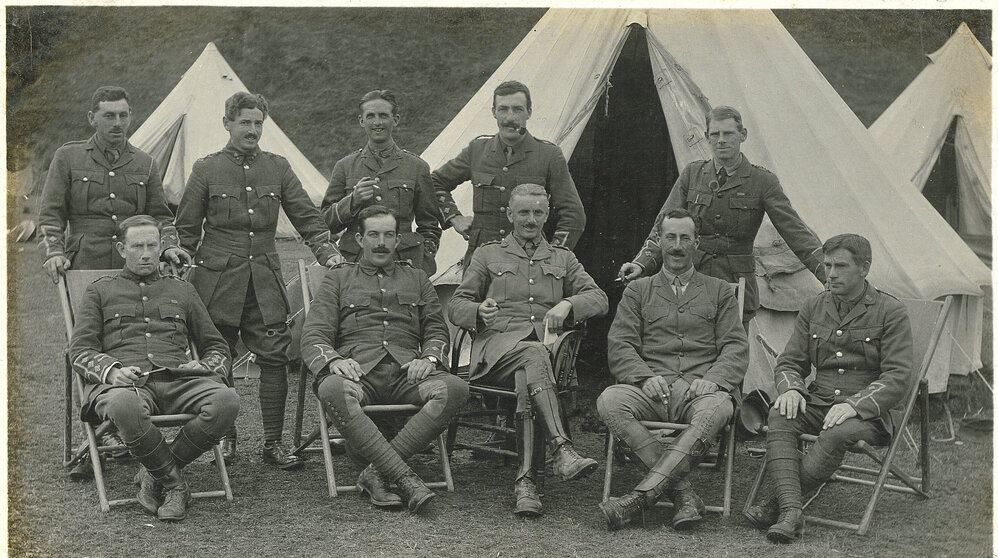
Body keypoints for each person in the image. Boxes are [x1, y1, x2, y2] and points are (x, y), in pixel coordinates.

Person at [175, 91, 343, 469]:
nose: (252, 130)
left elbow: (307, 218)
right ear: (227, 124)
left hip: (264, 282)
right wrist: (176, 257)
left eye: (257, 123)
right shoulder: (206, 169)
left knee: (275, 357)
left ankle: (273, 444)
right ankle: (224, 439)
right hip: (216, 282)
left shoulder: (278, 167)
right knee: (219, 358)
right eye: (244, 123)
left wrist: (327, 252)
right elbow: (185, 229)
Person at [38, 85, 191, 480]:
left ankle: (129, 429)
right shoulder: (68, 157)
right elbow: (51, 214)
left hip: (133, 269)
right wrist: (54, 250)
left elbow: (161, 215)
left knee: (133, 341)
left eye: (123, 115)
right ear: (92, 118)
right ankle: (95, 442)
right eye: (109, 115)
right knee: (87, 347)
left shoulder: (144, 162)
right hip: (84, 265)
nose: (118, 123)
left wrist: (169, 248)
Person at [448, 183, 607, 517]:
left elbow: (599, 299)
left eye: (538, 212)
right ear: (509, 215)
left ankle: (527, 485)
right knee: (534, 355)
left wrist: (568, 303)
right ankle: (561, 450)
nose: (531, 220)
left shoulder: (563, 257)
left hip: (541, 362)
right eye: (523, 212)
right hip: (495, 352)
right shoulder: (488, 254)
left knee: (528, 377)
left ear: (547, 215)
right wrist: (478, 312)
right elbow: (456, 305)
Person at [68, 215, 238, 521]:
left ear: (161, 247)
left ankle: (152, 472)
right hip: (123, 385)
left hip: (177, 380)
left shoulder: (182, 290)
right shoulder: (99, 291)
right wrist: (112, 371)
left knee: (227, 400)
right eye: (137, 246)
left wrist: (203, 366)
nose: (146, 253)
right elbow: (80, 350)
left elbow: (217, 346)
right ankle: (175, 485)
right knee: (125, 404)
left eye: (152, 245)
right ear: (121, 249)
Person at [745, 233, 912, 543]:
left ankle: (777, 506)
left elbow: (898, 377)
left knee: (837, 432)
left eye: (840, 266)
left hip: (868, 415)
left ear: (864, 268)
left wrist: (854, 405)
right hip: (819, 400)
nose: (831, 273)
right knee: (780, 415)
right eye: (827, 265)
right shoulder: (814, 306)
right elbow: (790, 362)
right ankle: (792, 511)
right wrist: (793, 389)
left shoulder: (890, 311)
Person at [301, 206, 468, 512]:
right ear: (359, 238)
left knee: (455, 388)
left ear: (397, 240)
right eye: (373, 235)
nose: (381, 242)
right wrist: (334, 361)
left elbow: (437, 330)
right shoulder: (338, 279)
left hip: (408, 375)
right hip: (358, 374)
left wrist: (429, 359)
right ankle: (404, 477)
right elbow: (314, 335)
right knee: (331, 389)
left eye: (388, 235)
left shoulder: (417, 278)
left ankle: (376, 472)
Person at [597, 209, 748, 531]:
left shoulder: (720, 291)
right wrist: (643, 377)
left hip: (699, 391)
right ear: (660, 242)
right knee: (610, 400)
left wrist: (713, 380)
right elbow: (620, 344)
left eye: (684, 238)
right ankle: (683, 493)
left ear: (696, 243)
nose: (677, 246)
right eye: (670, 238)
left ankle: (638, 499)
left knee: (717, 409)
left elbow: (735, 347)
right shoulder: (638, 291)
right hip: (650, 388)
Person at [618, 106, 826, 322]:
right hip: (691, 280)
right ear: (707, 137)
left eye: (728, 134)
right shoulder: (693, 174)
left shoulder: (763, 181)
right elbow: (664, 226)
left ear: (743, 135)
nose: (721, 140)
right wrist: (642, 262)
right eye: (715, 134)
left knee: (732, 351)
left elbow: (796, 233)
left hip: (736, 286)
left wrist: (825, 272)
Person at [432, 80, 586, 271]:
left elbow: (574, 214)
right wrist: (454, 217)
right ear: (493, 112)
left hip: (529, 265)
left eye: (518, 110)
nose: (509, 118)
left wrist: (553, 256)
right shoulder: (477, 150)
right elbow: (434, 182)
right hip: (481, 265)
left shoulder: (548, 155)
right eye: (503, 109)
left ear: (529, 112)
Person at [321, 90, 450, 276]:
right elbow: (325, 222)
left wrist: (424, 257)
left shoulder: (416, 167)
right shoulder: (345, 166)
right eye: (370, 116)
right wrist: (352, 201)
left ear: (395, 119)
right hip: (355, 265)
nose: (377, 122)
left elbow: (429, 224)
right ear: (361, 121)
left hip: (404, 264)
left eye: (383, 116)